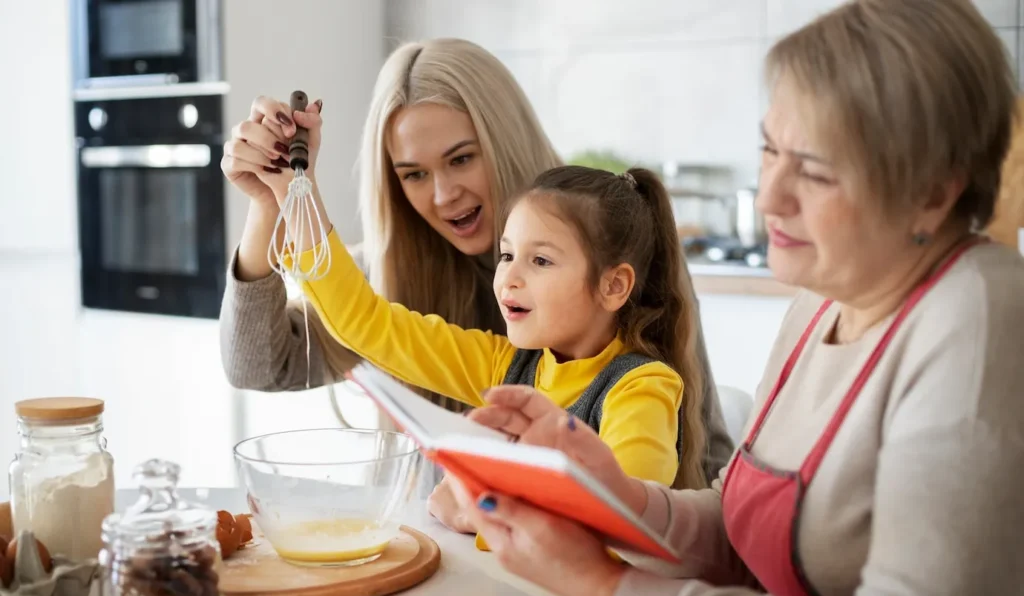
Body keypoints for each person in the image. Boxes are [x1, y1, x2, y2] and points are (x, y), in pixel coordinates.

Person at [447, 1, 1024, 596]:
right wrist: (615, 498)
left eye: (814, 169)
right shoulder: (825, 293)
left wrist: (602, 588)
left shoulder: (979, 320)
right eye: (770, 151)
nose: (769, 195)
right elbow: (742, 525)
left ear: (932, 194)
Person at [217, 38, 735, 531]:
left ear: (615, 286)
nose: (443, 195)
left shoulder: (637, 365)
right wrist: (285, 195)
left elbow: (626, 516)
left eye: (461, 158)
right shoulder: (499, 359)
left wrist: (480, 504)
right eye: (413, 174)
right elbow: (355, 325)